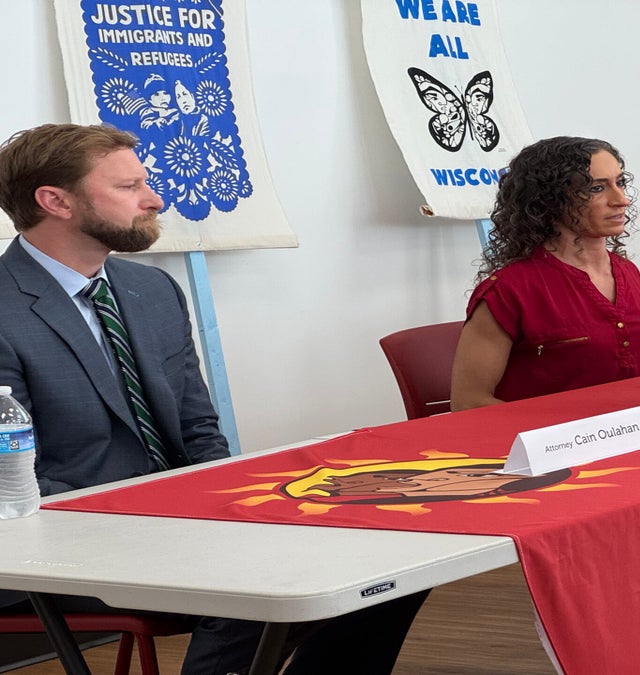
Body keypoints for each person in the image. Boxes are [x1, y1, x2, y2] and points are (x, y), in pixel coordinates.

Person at [0, 123, 425, 675]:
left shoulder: (151, 289)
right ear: (55, 201)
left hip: (174, 519)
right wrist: (157, 523)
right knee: (258, 587)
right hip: (58, 537)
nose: (154, 199)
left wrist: (236, 503)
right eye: (129, 187)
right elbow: (12, 477)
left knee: (391, 556)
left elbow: (198, 425)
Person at [450, 136, 640, 410]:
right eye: (596, 188)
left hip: (635, 430)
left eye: (620, 183)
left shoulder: (627, 272)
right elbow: (468, 403)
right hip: (548, 435)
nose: (622, 200)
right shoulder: (509, 290)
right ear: (550, 200)